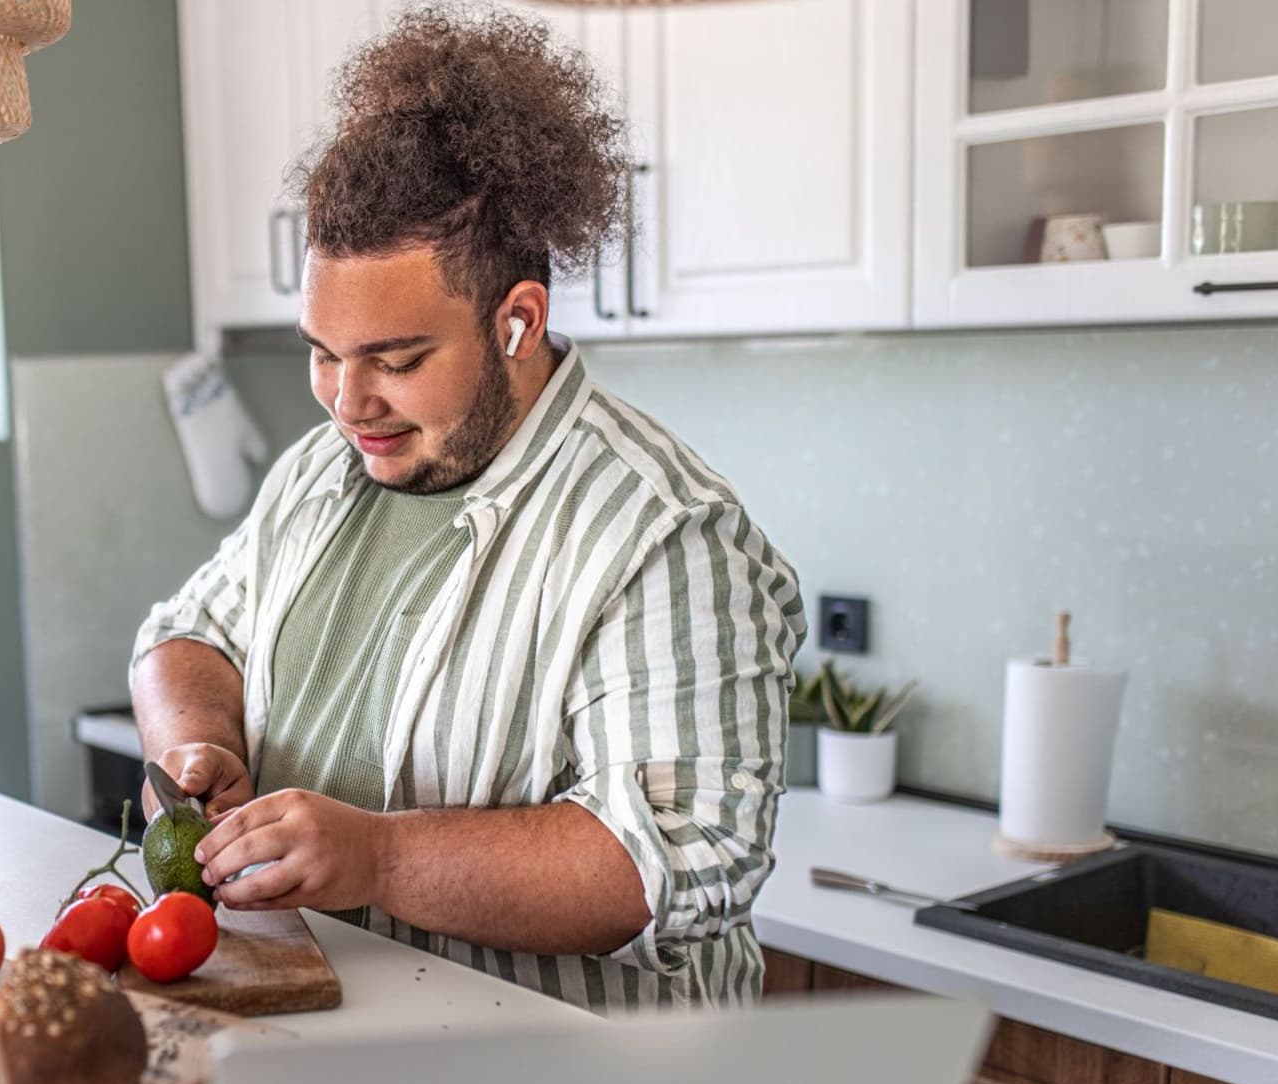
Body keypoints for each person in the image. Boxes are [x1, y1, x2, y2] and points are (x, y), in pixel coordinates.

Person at [131, 7, 805, 1011]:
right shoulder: (321, 472)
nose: (345, 401)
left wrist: (377, 858)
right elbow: (188, 632)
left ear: (518, 319)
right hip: (345, 1075)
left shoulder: (663, 534)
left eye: (394, 361)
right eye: (321, 352)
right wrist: (197, 742)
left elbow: (668, 864)